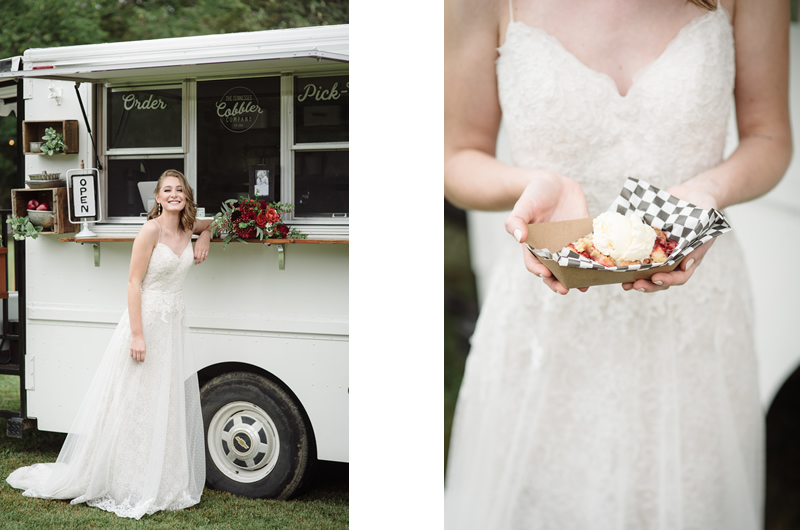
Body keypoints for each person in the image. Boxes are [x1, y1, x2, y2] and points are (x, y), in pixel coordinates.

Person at [444, 0, 791, 528]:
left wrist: (708, 191)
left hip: (697, 312)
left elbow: (770, 136)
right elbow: (456, 157)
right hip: (549, 310)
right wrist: (535, 185)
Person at [7, 169, 213, 520]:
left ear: (186, 195)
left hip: (172, 326)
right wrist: (136, 334)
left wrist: (205, 234)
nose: (175, 194)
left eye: (180, 189)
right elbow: (134, 284)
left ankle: (162, 478)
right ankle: (128, 480)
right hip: (145, 323)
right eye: (168, 190)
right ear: (158, 198)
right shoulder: (151, 230)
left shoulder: (187, 227)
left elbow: (216, 222)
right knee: (135, 402)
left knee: (163, 401)